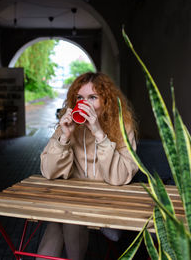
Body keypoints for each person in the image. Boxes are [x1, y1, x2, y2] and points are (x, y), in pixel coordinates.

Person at [36, 72, 138, 260]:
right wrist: (64, 136)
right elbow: (48, 172)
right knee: (62, 219)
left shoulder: (123, 125)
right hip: (73, 202)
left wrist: (99, 134)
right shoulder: (68, 125)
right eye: (80, 98)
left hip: (108, 204)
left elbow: (121, 176)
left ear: (106, 101)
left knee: (64, 219)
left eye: (93, 97)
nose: (85, 103)